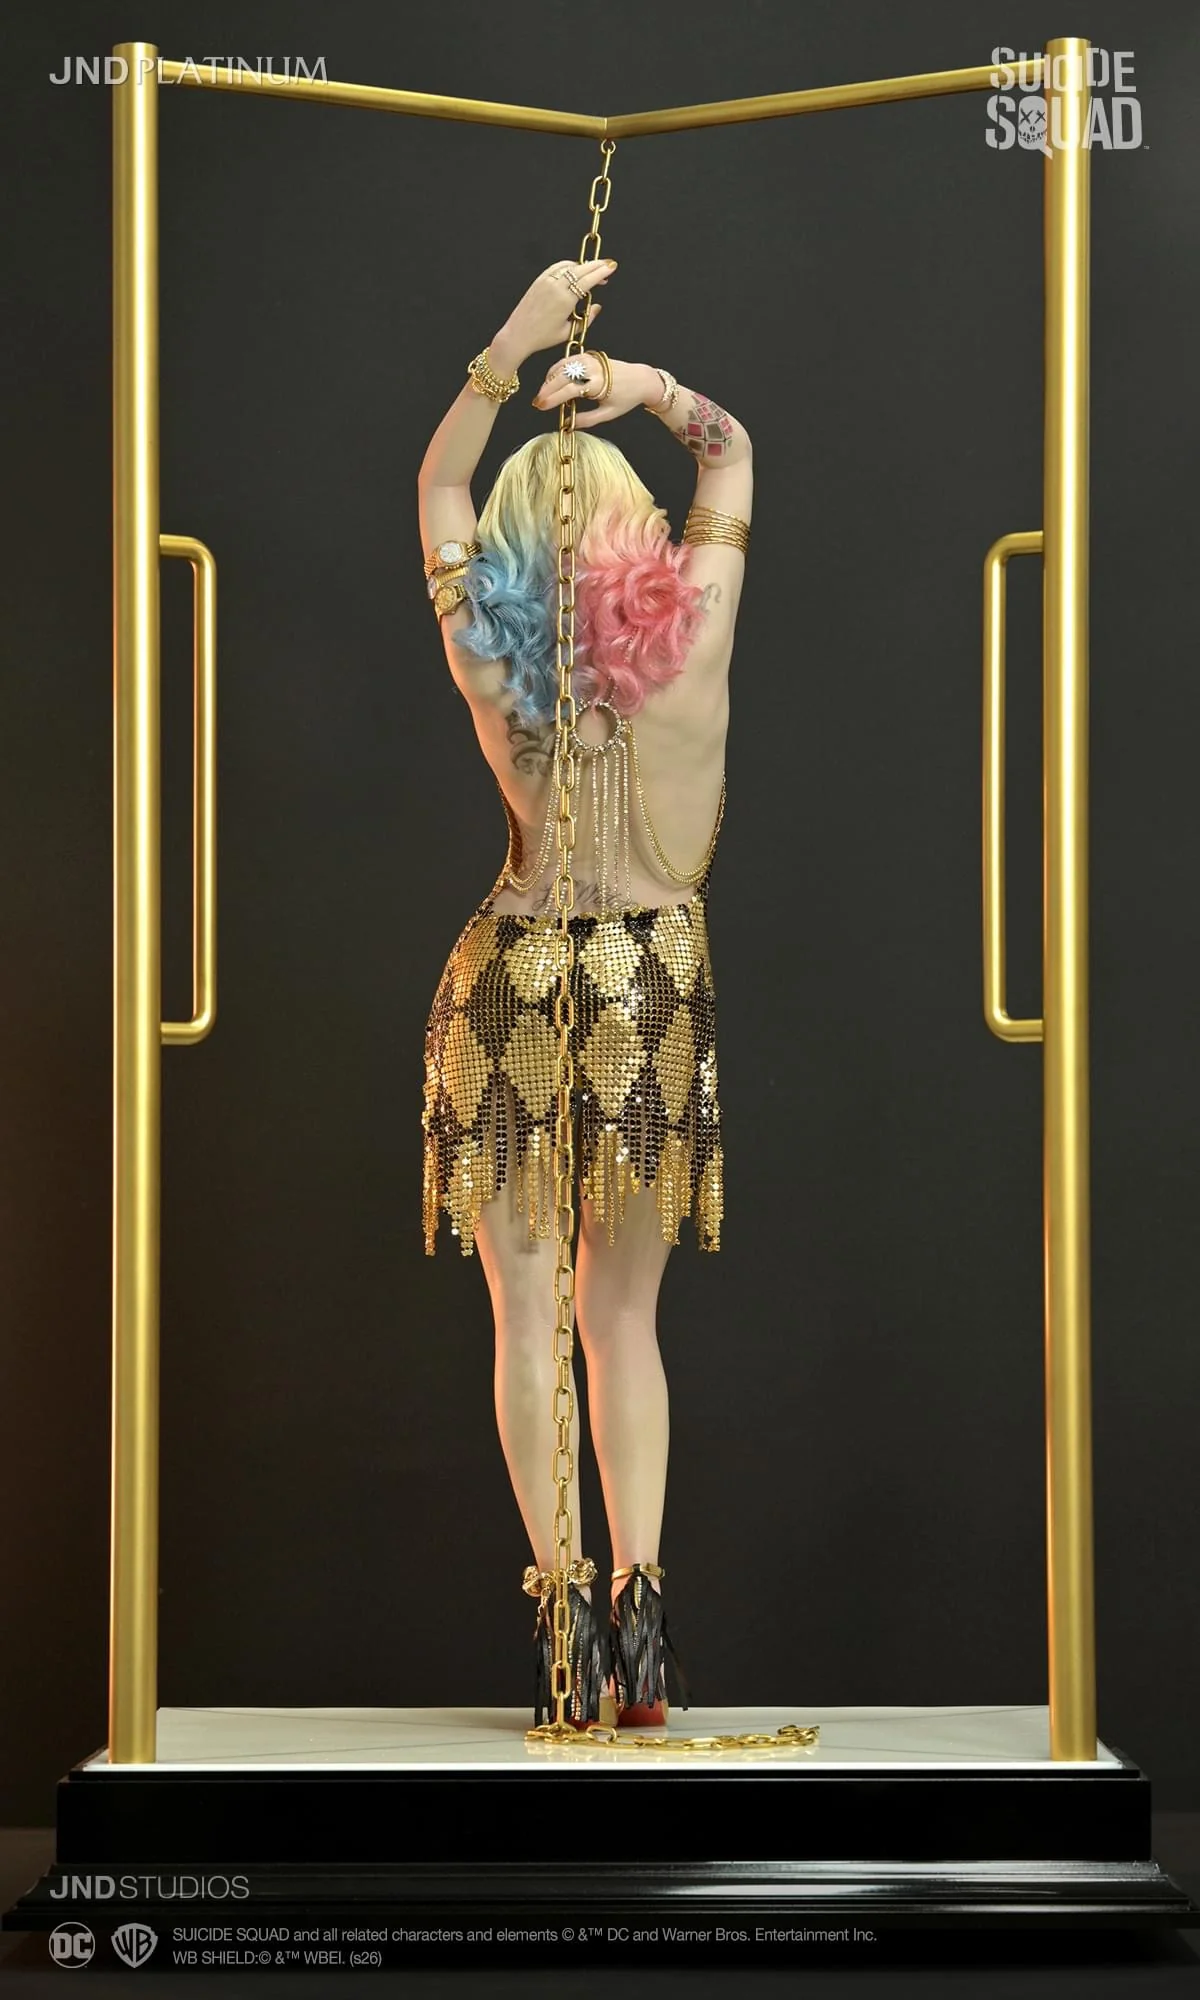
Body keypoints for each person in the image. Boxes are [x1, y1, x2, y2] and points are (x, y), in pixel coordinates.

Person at [417, 256, 752, 1727]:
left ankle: (561, 1620)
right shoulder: (699, 630)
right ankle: (643, 1621)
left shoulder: (488, 659)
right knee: (622, 1320)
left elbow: (439, 484)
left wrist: (515, 339)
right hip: (650, 981)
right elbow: (731, 455)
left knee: (526, 1320)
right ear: (642, 542)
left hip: (508, 976)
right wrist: (640, 387)